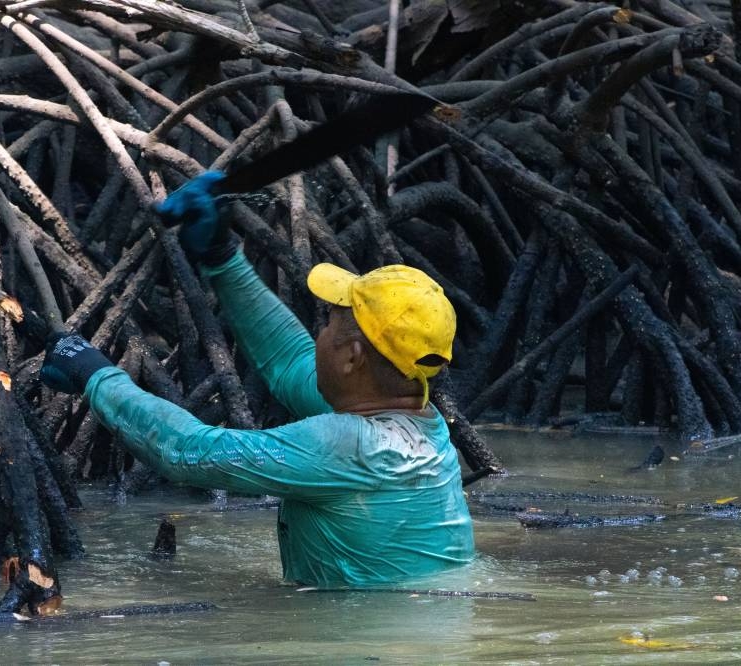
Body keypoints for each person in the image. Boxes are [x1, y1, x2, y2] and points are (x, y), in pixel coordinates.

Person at [40, 172, 475, 588]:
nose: (319, 334)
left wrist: (95, 376)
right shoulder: (418, 424)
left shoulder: (347, 445)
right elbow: (289, 360)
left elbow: (185, 451)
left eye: (328, 323)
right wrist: (222, 255)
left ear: (352, 358)